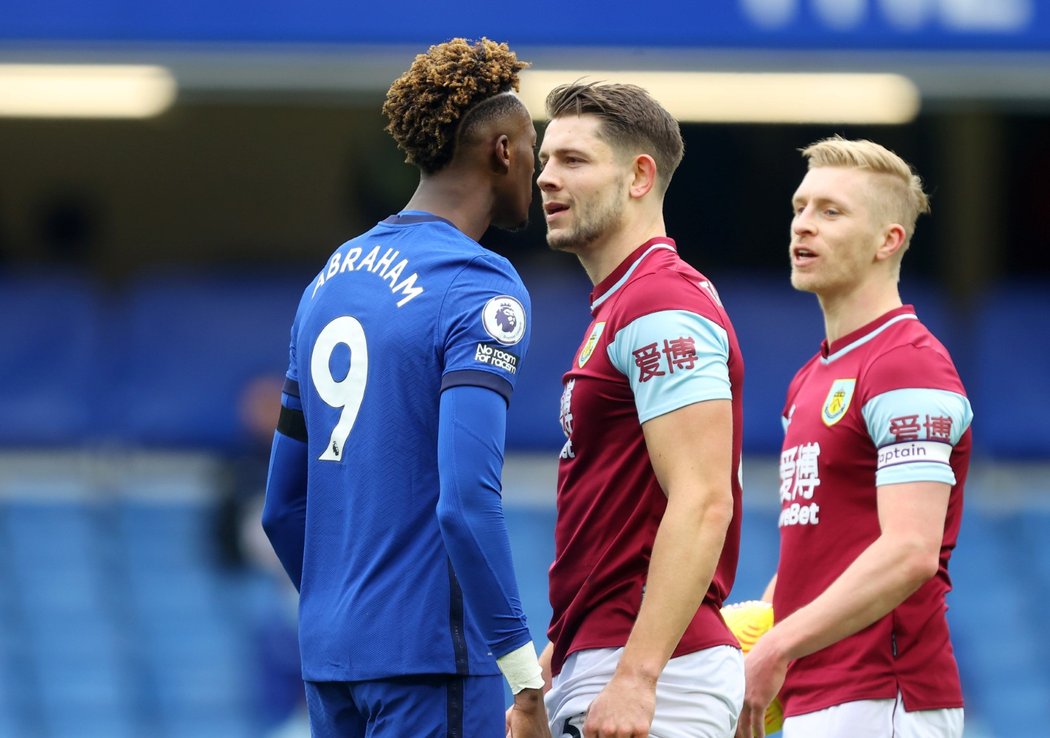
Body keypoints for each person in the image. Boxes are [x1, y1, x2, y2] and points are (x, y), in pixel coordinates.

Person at [261, 37, 551, 738]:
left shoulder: (331, 280)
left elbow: (282, 506)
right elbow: (465, 501)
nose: (540, 174)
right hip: (433, 664)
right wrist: (523, 678)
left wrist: (355, 616)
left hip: (332, 662)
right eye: (535, 149)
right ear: (503, 150)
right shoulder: (476, 284)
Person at [736, 137, 973, 738]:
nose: (803, 226)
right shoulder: (809, 378)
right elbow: (821, 549)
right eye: (800, 207)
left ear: (887, 240)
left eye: (830, 211)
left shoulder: (907, 363)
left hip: (884, 696)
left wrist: (774, 648)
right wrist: (765, 623)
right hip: (820, 696)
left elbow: (910, 550)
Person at [536, 81, 746, 738]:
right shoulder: (625, 303)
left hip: (656, 677)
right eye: (545, 160)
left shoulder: (659, 305)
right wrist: (561, 652)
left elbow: (704, 499)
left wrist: (637, 675)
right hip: (609, 659)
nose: (545, 178)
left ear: (639, 177)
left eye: (573, 160)